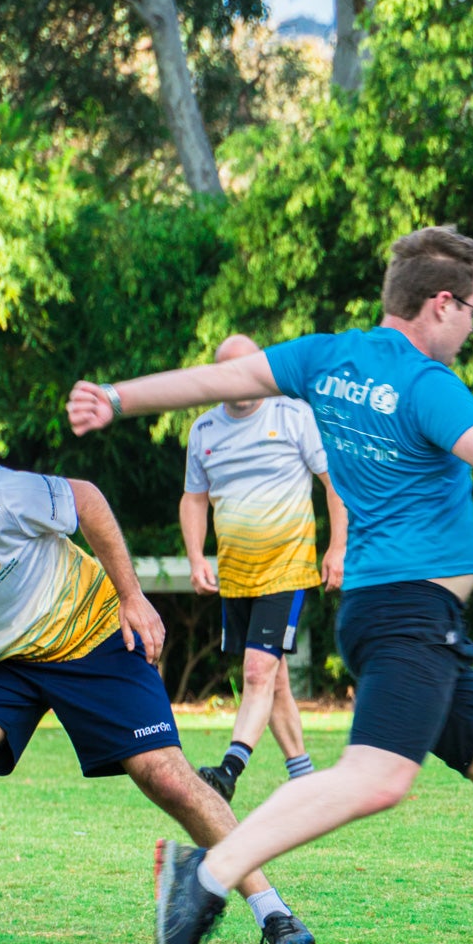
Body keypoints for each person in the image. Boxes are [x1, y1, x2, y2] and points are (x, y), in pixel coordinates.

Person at [67, 225, 473, 944]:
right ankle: (208, 873)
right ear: (441, 303)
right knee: (378, 777)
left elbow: (209, 384)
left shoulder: (326, 357)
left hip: (396, 617)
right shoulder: (426, 384)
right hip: (412, 614)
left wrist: (118, 398)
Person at [0, 458, 315, 944]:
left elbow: (84, 498)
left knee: (166, 776)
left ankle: (272, 909)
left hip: (92, 628)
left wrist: (131, 596)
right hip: (3, 662)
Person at [182, 333, 348, 802]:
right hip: (236, 573)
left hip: (288, 567)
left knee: (257, 672)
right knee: (272, 681)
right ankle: (306, 778)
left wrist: (337, 547)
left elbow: (334, 483)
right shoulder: (204, 431)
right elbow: (193, 498)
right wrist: (197, 556)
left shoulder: (293, 415)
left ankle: (229, 772)